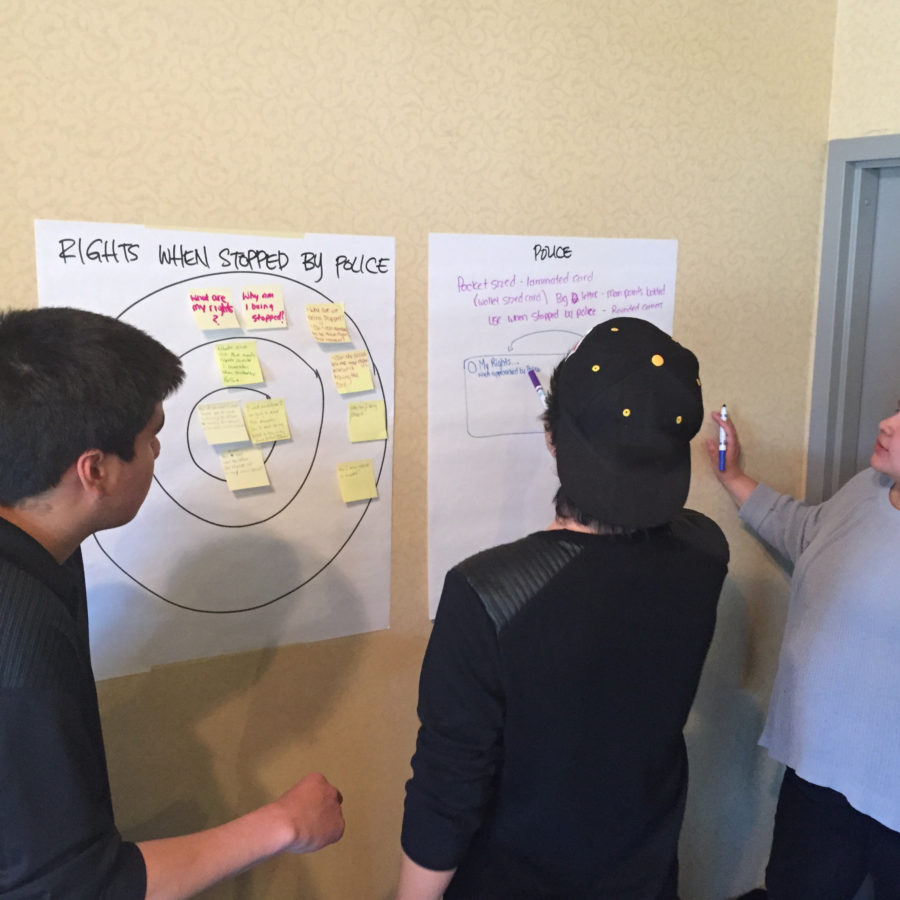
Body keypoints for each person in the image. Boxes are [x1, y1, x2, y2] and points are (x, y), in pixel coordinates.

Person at [0, 306, 345, 899]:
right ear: (96, 470)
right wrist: (284, 823)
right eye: (151, 436)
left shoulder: (44, 554)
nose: (159, 451)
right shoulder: (18, 636)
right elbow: (73, 885)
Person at [397, 317, 729, 900]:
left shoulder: (488, 594)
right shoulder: (706, 550)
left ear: (552, 437)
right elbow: (680, 526)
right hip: (643, 876)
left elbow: (447, 791)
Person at [709, 404, 900, 900]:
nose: (886, 424)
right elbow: (806, 531)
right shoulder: (868, 489)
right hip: (820, 767)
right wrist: (733, 479)